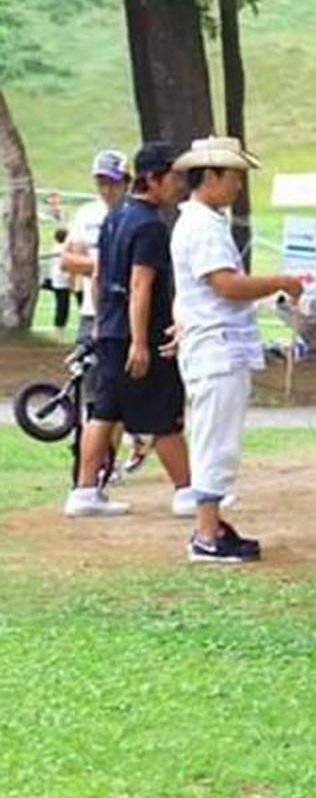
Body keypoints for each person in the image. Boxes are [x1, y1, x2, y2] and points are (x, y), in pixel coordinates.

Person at [171, 136, 306, 562]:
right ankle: (206, 533)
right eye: (233, 177)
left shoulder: (202, 223)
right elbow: (226, 285)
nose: (238, 187)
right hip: (216, 346)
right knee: (214, 439)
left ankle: (212, 525)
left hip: (217, 343)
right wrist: (280, 281)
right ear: (210, 176)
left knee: (218, 436)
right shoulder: (201, 227)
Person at [67, 142, 192, 519]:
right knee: (165, 412)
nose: (177, 186)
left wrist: (105, 322)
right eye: (172, 178)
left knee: (104, 411)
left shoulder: (116, 216)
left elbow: (101, 274)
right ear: (152, 178)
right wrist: (140, 341)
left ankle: (85, 490)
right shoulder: (150, 226)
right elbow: (141, 285)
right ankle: (188, 491)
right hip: (138, 334)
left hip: (110, 329)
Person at [60, 148, 129, 345]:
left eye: (113, 183)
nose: (107, 190)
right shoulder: (86, 213)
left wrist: (92, 267)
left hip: (124, 313)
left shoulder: (135, 215)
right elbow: (66, 261)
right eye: (101, 184)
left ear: (126, 182)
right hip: (91, 312)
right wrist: (104, 268)